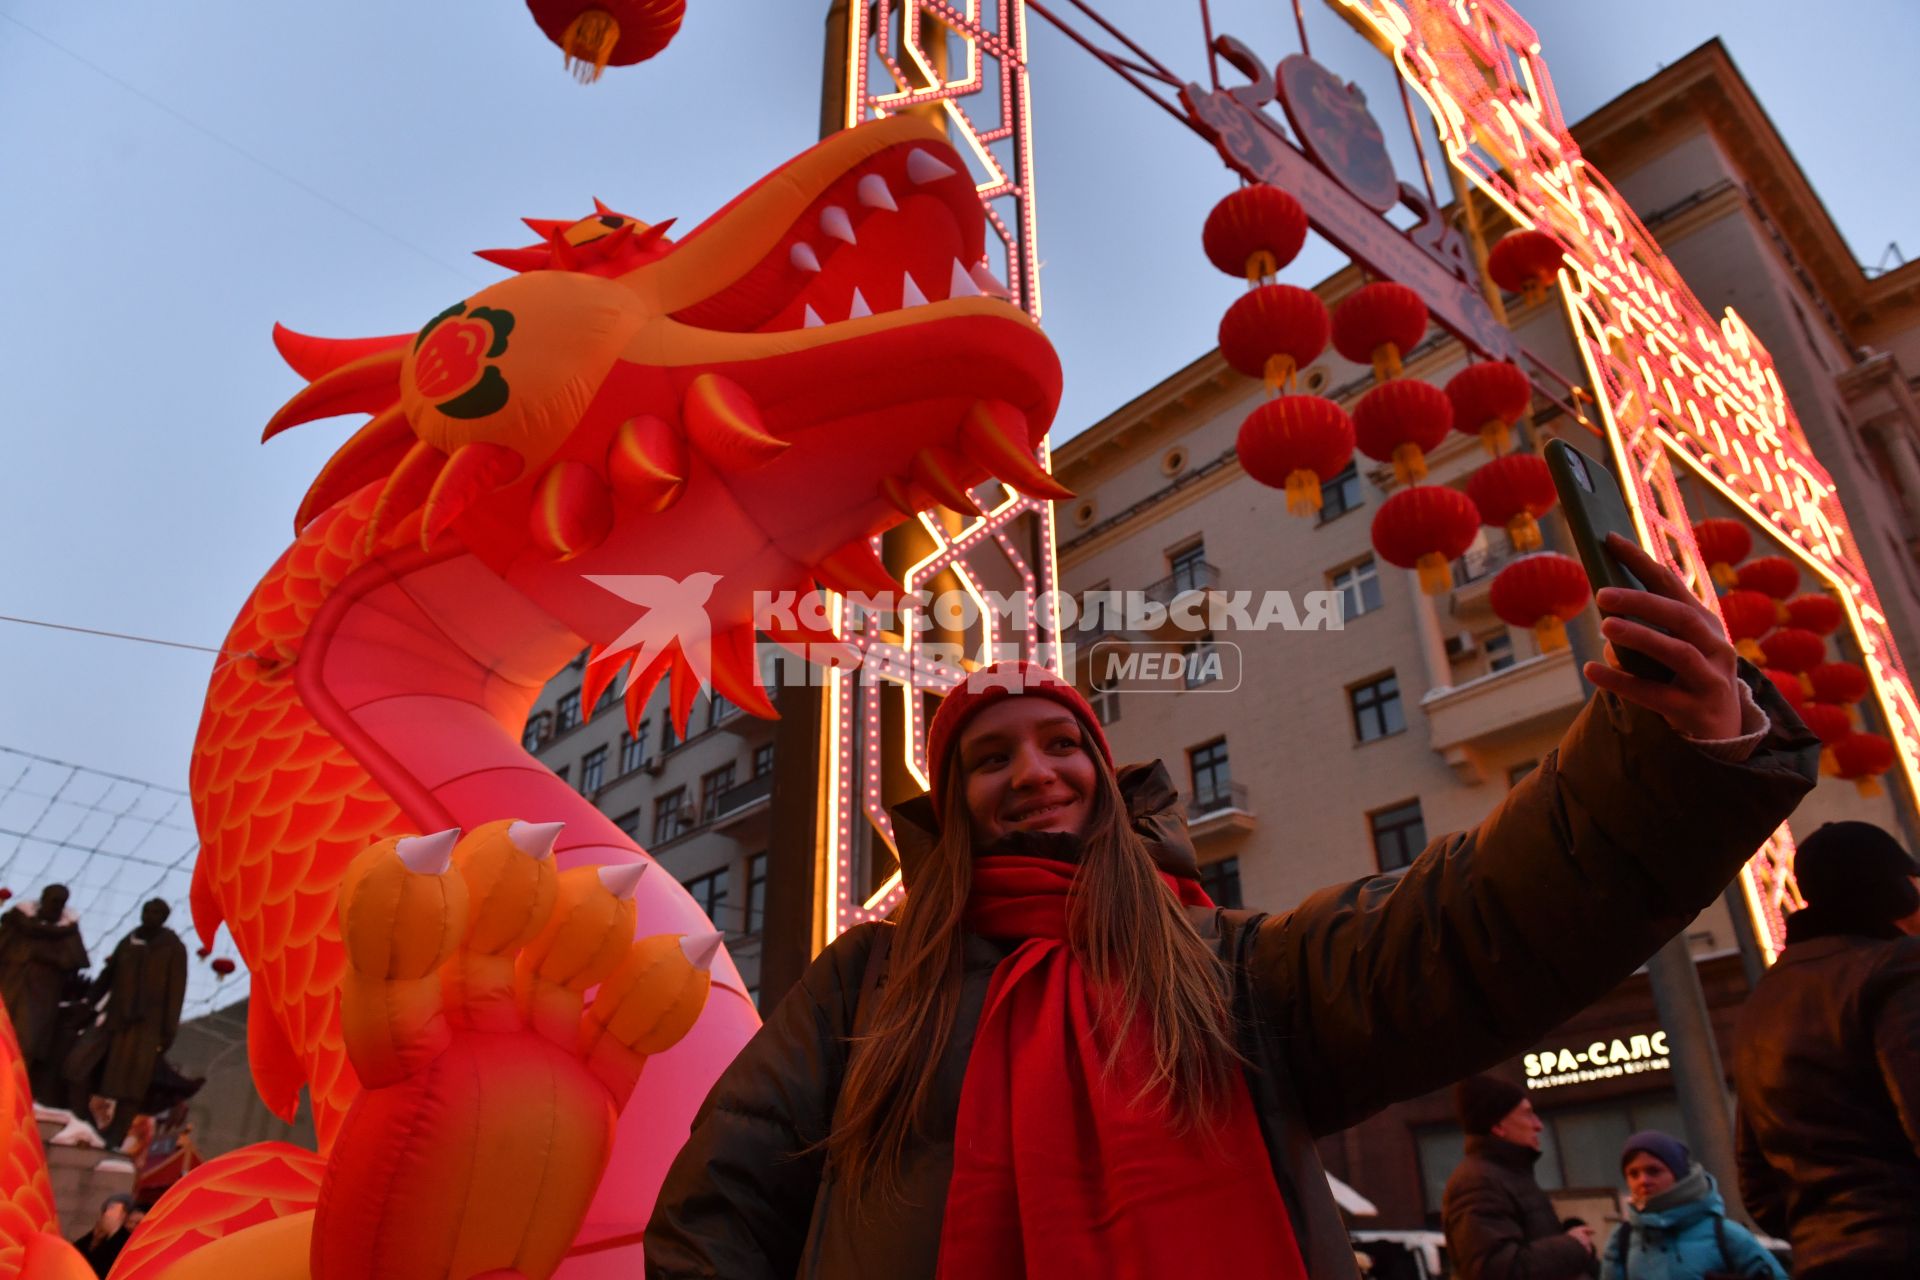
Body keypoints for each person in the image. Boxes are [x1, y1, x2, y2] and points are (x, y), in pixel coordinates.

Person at [646, 537, 1818, 1280]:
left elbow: (1465, 925)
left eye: (1065, 744)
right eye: (991, 757)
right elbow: (722, 1206)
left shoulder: (1232, 967)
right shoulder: (869, 984)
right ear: (954, 804)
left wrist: (1674, 753)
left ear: (1105, 779)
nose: (1036, 772)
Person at [1732, 820, 1920, 1278]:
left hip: (1821, 1260)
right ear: (1890, 892)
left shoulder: (1762, 1003)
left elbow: (1756, 1184)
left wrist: (1823, 1232)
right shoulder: (1896, 968)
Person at [1443, 1075, 1596, 1279]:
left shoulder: (1506, 1174)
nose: (1538, 1125)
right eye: (1527, 1114)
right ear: (1498, 1126)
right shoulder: (1478, 1183)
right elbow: (1495, 1270)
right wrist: (1572, 1246)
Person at [72, 899, 188, 1145]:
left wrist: (168, 1031)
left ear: (164, 917)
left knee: (132, 1083)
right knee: (77, 1066)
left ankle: (115, 1134)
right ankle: (82, 1119)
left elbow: (175, 991)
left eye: (156, 912)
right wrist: (88, 1002)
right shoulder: (130, 940)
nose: (150, 915)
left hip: (148, 1026)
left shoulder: (172, 948)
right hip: (114, 1018)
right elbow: (108, 975)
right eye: (147, 910)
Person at [1600, 1130, 1784, 1279]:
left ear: (1679, 1175)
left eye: (1653, 1171)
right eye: (1633, 1174)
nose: (1643, 1181)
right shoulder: (1622, 1239)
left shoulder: (1725, 1234)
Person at [0, 883, 90, 1102]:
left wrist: (44, 956)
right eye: (52, 899)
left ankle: (12, 1092)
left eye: (60, 901)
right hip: (9, 986)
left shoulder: (66, 931)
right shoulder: (17, 920)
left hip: (41, 997)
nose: (54, 905)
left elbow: (76, 959)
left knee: (27, 1044)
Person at [70, 1193, 131, 1277]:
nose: (107, 1215)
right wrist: (94, 1240)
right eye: (106, 1210)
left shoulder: (125, 1241)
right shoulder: (95, 1237)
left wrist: (114, 1230)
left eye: (112, 1209)